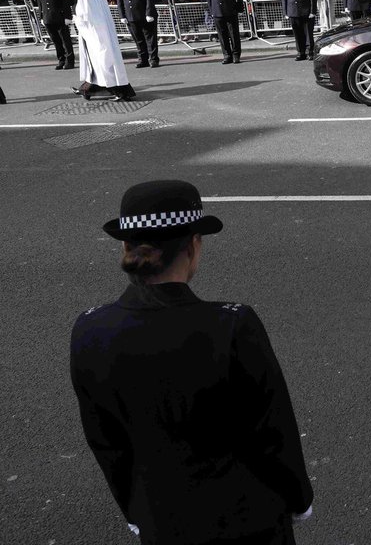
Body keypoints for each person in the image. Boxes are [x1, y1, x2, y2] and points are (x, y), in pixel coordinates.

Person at [70, 180, 314, 545]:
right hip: (251, 519)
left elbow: (107, 442)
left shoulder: (89, 330)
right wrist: (299, 499)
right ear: (193, 246)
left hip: (163, 521)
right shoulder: (232, 325)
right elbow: (272, 431)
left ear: (126, 246)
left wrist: (135, 512)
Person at [70, 0, 135, 101]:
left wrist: (74, 19)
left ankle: (119, 91)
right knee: (104, 62)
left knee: (100, 63)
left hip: (94, 35)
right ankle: (88, 88)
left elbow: (84, 17)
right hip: (104, 32)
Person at [115, 0, 159, 69]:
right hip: (131, 16)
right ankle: (143, 59)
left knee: (150, 38)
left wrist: (149, 13)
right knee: (138, 39)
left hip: (144, 15)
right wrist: (122, 15)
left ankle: (153, 59)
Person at [34, 0, 74, 70]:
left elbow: (65, 1)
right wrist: (41, 16)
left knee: (65, 40)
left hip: (60, 17)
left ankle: (69, 61)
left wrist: (67, 17)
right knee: (56, 40)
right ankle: (61, 59)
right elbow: (40, 2)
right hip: (47, 17)